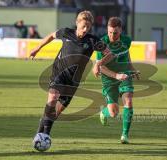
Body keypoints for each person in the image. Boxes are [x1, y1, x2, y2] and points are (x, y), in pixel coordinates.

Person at [30, 10, 114, 147]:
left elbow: (110, 54)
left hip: (73, 81)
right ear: (77, 23)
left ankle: (44, 129)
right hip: (59, 73)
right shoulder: (66, 33)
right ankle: (42, 135)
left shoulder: (92, 41)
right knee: (52, 99)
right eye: (83, 26)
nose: (86, 29)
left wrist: (99, 63)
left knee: (56, 112)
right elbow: (51, 36)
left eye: (88, 27)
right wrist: (38, 48)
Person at [95, 17, 139, 144]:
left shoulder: (127, 41)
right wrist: (116, 76)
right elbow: (100, 67)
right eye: (109, 32)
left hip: (125, 75)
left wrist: (132, 68)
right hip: (109, 79)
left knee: (128, 102)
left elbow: (127, 54)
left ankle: (124, 135)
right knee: (113, 113)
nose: (112, 35)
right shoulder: (101, 43)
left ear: (121, 30)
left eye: (115, 33)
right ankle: (104, 112)